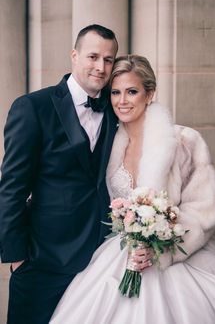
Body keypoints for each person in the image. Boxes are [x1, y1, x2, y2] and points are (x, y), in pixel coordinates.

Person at [50, 54, 215, 324]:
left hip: (177, 258)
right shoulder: (107, 144)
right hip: (118, 255)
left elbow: (203, 210)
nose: (122, 101)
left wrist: (162, 248)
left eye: (132, 91)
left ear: (149, 94)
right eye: (115, 92)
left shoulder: (183, 140)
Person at [0, 24, 119, 324]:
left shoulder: (117, 110)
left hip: (99, 258)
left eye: (108, 60)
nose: (101, 67)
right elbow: (11, 188)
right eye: (93, 56)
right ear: (74, 56)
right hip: (43, 258)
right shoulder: (33, 107)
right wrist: (16, 257)